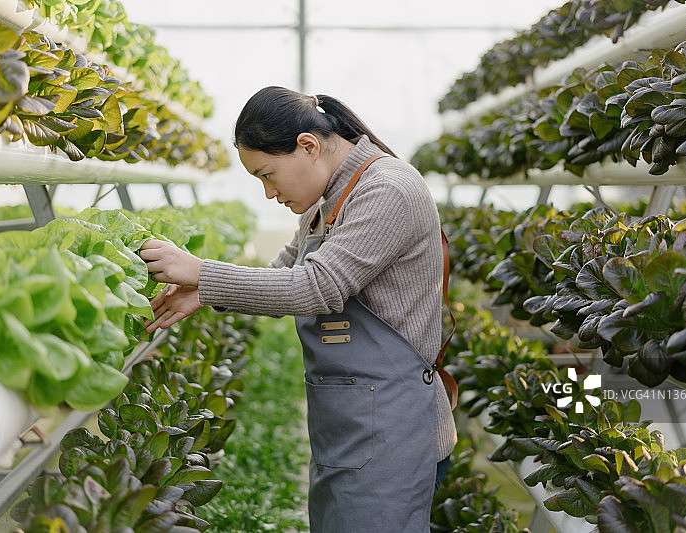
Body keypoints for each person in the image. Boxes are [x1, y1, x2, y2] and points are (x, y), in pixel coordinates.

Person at [139, 86, 457, 532]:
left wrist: (201, 271)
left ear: (308, 146)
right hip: (350, 429)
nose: (269, 193)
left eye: (268, 175)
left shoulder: (387, 191)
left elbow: (316, 288)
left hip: (394, 434)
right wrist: (201, 290)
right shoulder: (328, 200)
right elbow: (282, 275)